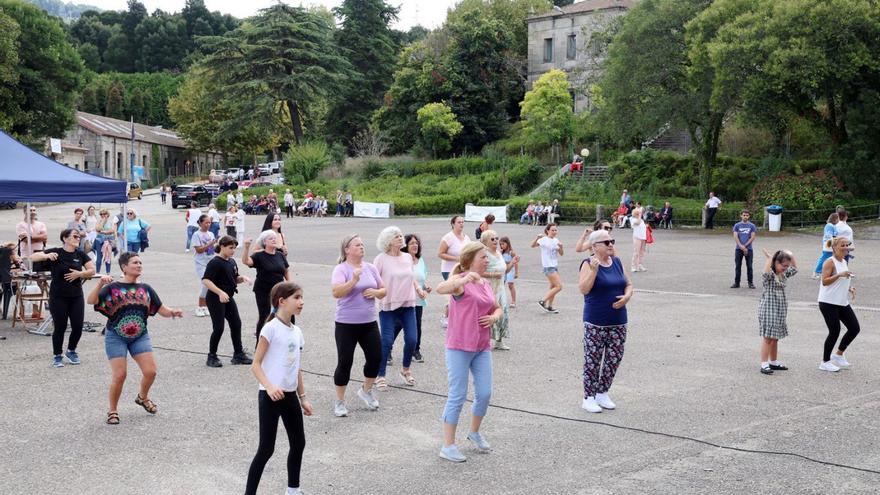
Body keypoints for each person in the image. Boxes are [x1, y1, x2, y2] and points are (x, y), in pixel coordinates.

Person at [88, 252, 183, 425]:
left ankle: (142, 398)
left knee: (151, 372)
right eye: (135, 263)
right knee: (120, 375)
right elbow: (91, 300)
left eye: (140, 262)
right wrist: (100, 284)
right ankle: (113, 410)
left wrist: (172, 312)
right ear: (124, 267)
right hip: (116, 336)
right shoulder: (112, 288)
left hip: (140, 336)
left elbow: (161, 308)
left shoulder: (145, 288)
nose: (139, 265)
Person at [435, 241, 502, 462]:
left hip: (482, 346)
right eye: (483, 257)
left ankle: (474, 432)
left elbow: (496, 306)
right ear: (470, 260)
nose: (487, 260)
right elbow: (440, 289)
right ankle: (448, 445)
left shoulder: (484, 282)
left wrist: (494, 317)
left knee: (484, 393)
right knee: (457, 395)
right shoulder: (460, 281)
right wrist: (464, 279)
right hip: (459, 347)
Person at [244, 282, 312, 495]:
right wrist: (270, 387)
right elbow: (255, 365)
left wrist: (303, 398)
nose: (301, 302)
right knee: (266, 449)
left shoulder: (297, 332)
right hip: (269, 396)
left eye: (302, 297)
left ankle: (293, 490)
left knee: (298, 443)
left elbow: (296, 367)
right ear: (282, 301)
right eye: (297, 298)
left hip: (290, 396)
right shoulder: (270, 328)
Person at [578, 229, 633, 413]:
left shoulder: (616, 262)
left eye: (612, 241)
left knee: (614, 358)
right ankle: (589, 397)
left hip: (618, 320)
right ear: (594, 246)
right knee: (592, 360)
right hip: (596, 321)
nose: (611, 245)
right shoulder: (588, 264)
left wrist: (626, 297)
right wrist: (594, 271)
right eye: (607, 242)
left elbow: (628, 284)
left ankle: (602, 392)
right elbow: (584, 289)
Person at [331, 234, 384, 417]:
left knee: (376, 357)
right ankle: (339, 401)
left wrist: (376, 292)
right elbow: (336, 292)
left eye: (362, 244)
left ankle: (366, 391)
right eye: (357, 245)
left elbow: (384, 290)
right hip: (346, 323)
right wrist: (353, 280)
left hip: (369, 322)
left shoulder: (370, 267)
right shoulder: (341, 269)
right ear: (347, 249)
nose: (362, 247)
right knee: (345, 362)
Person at [30, 229, 96, 367]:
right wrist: (45, 256)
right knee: (60, 326)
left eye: (79, 236)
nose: (78, 239)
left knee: (77, 326)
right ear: (65, 239)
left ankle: (71, 351)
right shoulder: (56, 252)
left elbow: (92, 270)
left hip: (76, 295)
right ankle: (57, 355)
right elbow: (33, 257)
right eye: (75, 236)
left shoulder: (80, 254)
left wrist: (80, 274)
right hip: (58, 296)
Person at [374, 226, 422, 389]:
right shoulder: (381, 259)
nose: (401, 238)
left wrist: (419, 289)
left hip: (408, 304)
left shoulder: (408, 257)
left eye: (401, 235)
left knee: (412, 340)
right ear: (388, 241)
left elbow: (411, 277)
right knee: (386, 341)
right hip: (388, 306)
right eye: (397, 236)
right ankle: (380, 375)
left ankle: (405, 370)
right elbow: (374, 280)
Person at [203, 236, 253, 368]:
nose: (233, 250)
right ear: (222, 247)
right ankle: (212, 356)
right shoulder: (215, 263)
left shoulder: (231, 262)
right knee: (219, 327)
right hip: (215, 298)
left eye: (234, 248)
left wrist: (242, 278)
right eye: (230, 248)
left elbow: (234, 278)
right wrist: (219, 292)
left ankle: (238, 354)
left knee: (236, 324)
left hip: (228, 297)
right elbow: (206, 280)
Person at [817, 237, 860, 372]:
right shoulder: (830, 262)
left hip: (841, 301)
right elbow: (825, 281)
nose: (846, 247)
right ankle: (825, 362)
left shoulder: (843, 261)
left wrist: (849, 288)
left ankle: (838, 355)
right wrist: (840, 275)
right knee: (834, 331)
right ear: (835, 247)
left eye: (847, 244)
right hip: (828, 302)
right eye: (843, 245)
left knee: (854, 328)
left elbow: (841, 279)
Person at [243, 230, 292, 340]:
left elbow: (286, 270)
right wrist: (246, 247)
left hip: (279, 289)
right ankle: (260, 343)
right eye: (271, 238)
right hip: (263, 289)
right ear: (264, 242)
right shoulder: (259, 255)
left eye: (274, 238)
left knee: (287, 313)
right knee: (264, 316)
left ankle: (286, 339)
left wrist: (289, 283)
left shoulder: (280, 255)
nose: (274, 240)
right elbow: (246, 261)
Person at [758, 249, 797, 375]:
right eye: (783, 265)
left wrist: (790, 254)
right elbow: (765, 273)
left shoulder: (784, 274)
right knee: (768, 338)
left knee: (775, 338)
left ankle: (773, 362)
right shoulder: (770, 276)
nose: (786, 268)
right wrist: (770, 259)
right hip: (769, 309)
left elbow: (795, 268)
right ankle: (764, 364)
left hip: (780, 309)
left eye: (787, 266)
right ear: (776, 263)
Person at [392, 234, 430, 363]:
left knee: (417, 325)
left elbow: (422, 277)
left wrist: (425, 287)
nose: (415, 245)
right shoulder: (401, 260)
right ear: (405, 246)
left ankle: (415, 350)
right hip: (404, 298)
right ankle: (387, 349)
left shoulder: (421, 260)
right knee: (398, 325)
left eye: (416, 243)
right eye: (412, 243)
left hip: (418, 299)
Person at [480, 230, 511, 350]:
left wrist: (512, 263)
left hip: (500, 287)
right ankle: (484, 341)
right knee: (488, 314)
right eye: (492, 239)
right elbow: (479, 272)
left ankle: (499, 340)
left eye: (496, 238)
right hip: (489, 288)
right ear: (485, 241)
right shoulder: (484, 254)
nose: (496, 241)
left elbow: (503, 270)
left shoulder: (498, 252)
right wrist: (493, 275)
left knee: (502, 312)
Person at [437, 215, 471, 327]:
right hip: (449, 270)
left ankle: (458, 316)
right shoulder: (448, 238)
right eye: (459, 222)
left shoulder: (466, 237)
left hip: (463, 269)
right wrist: (456, 259)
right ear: (453, 224)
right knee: (452, 292)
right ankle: (446, 317)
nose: (461, 224)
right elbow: (440, 253)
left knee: (462, 293)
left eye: (462, 222)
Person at [531, 223, 564, 314]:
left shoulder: (556, 240)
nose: (554, 232)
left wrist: (561, 247)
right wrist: (537, 238)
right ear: (547, 231)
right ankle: (543, 301)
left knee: (553, 286)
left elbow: (561, 253)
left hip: (554, 266)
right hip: (548, 266)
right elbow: (532, 245)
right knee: (559, 286)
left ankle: (550, 306)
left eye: (555, 230)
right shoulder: (544, 240)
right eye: (552, 230)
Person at [191, 214, 216, 317]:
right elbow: (199, 250)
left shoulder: (211, 234)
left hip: (210, 261)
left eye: (209, 222)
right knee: (206, 283)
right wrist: (210, 244)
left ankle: (205, 307)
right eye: (206, 222)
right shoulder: (196, 234)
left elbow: (213, 249)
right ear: (200, 223)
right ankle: (199, 307)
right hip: (200, 263)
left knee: (210, 285)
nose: (208, 225)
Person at [732, 210, 757, 289]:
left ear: (749, 216)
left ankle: (750, 283)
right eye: (744, 215)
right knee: (738, 266)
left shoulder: (752, 226)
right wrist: (741, 246)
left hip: (749, 249)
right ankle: (737, 283)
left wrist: (745, 246)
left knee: (749, 266)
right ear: (741, 216)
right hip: (738, 249)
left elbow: (752, 237)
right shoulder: (737, 225)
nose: (745, 217)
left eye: (747, 215)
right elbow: (735, 236)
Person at [814, 213, 839, 278]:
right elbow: (829, 235)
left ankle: (831, 271)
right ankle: (817, 272)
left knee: (831, 258)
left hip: (830, 244)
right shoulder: (830, 225)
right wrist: (833, 242)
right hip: (829, 244)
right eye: (837, 218)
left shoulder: (832, 226)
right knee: (824, 258)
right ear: (835, 219)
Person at [1, 242, 21, 320]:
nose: (13, 252)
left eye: (14, 250)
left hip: (15, 283)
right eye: (12, 250)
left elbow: (21, 269)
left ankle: (17, 312)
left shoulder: (17, 259)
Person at [94, 209, 116, 275]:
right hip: (99, 240)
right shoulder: (99, 221)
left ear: (107, 214)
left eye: (104, 214)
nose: (103, 215)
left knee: (108, 255)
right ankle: (97, 272)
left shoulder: (111, 222)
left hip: (108, 240)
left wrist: (103, 232)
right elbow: (98, 229)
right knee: (99, 256)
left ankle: (108, 272)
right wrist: (103, 221)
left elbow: (112, 230)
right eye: (101, 214)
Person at [499, 237, 519, 308]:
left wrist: (516, 272)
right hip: (504, 270)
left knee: (510, 285)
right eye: (500, 244)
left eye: (503, 244)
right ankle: (500, 300)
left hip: (511, 270)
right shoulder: (501, 252)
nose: (501, 246)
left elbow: (516, 263)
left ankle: (513, 301)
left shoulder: (512, 252)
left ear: (507, 243)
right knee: (501, 285)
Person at [630, 207, 648, 272]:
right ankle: (633, 266)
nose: (639, 214)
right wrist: (639, 215)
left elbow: (642, 226)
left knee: (642, 252)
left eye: (639, 213)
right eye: (638, 213)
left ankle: (640, 265)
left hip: (643, 238)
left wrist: (646, 226)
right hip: (637, 237)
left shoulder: (642, 220)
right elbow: (637, 223)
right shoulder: (633, 219)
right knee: (636, 252)